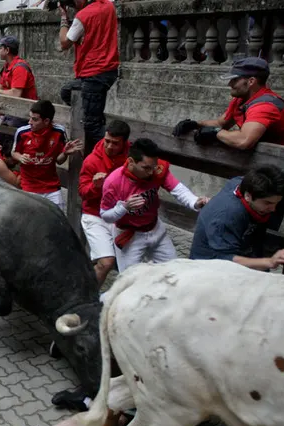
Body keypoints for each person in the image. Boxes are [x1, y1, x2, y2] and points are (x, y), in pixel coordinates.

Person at [100, 138, 208, 272]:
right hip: (129, 236)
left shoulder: (157, 169)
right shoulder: (113, 182)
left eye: (154, 167)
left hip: (155, 229)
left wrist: (195, 202)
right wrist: (124, 207)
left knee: (174, 272)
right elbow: (105, 215)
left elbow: (177, 189)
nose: (151, 172)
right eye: (146, 168)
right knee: (130, 281)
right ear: (131, 162)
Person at [190, 165, 284, 270]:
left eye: (278, 203)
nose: (274, 209)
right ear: (248, 196)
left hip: (247, 260)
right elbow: (225, 260)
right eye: (268, 203)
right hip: (209, 271)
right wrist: (269, 261)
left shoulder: (265, 189)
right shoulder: (227, 214)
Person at [172, 57, 284, 150]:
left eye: (234, 80)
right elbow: (221, 123)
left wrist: (215, 132)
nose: (230, 84)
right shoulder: (241, 99)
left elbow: (244, 140)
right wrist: (195, 124)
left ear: (251, 81)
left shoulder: (265, 106)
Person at [58, 0, 120, 152]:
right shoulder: (108, 6)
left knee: (92, 126)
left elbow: (64, 43)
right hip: (108, 70)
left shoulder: (83, 16)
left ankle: (119, 153)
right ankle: (96, 120)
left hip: (94, 72)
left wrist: (64, 19)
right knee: (67, 91)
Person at [78, 120, 130, 286]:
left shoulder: (132, 158)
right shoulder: (92, 160)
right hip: (95, 216)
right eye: (107, 141)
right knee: (106, 262)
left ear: (124, 143)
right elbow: (82, 192)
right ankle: (88, 299)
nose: (109, 146)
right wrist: (95, 187)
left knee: (129, 266)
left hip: (122, 218)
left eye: (115, 143)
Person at [11, 100, 84, 210]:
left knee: (58, 219)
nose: (30, 122)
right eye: (30, 117)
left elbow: (59, 160)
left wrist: (65, 153)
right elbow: (13, 152)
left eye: (34, 119)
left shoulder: (59, 132)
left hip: (51, 187)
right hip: (29, 186)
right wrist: (20, 157)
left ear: (46, 121)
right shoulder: (22, 132)